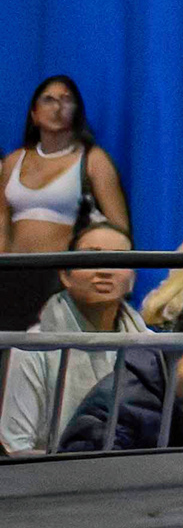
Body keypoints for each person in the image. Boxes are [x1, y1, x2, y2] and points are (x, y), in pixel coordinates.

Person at [4, 219, 146, 456]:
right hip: (53, 472)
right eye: (92, 257)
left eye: (119, 258)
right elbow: (15, 444)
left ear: (132, 278)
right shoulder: (33, 345)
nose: (105, 270)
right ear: (65, 275)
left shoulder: (150, 346)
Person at [7, 75, 127, 257]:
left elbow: (119, 228)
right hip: (14, 268)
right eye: (48, 100)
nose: (57, 107)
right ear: (34, 114)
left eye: (66, 99)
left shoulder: (93, 160)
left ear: (77, 112)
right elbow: (2, 220)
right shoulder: (13, 161)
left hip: (67, 269)